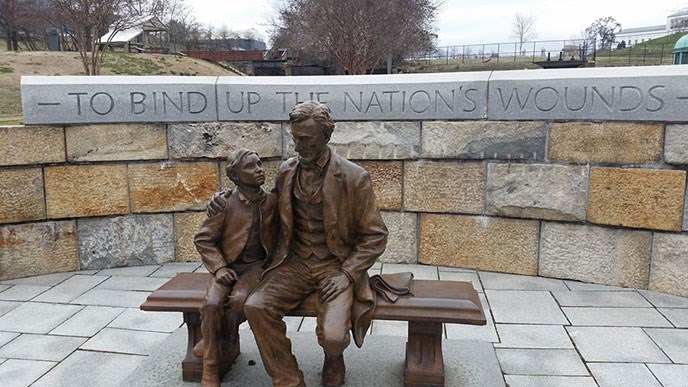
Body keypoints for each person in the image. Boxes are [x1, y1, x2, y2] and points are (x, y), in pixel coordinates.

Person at [243, 101, 388, 387]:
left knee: (334, 338)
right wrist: (230, 200)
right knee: (256, 306)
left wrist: (347, 274)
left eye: (305, 140)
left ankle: (334, 359)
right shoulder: (287, 171)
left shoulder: (353, 177)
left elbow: (376, 235)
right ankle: (288, 379)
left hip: (335, 266)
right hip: (294, 262)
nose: (298, 147)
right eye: (295, 138)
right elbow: (268, 208)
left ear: (326, 136)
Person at [194, 148, 278, 387]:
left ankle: (222, 339)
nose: (259, 170)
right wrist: (219, 268)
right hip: (227, 265)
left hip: (256, 267)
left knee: (240, 299)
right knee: (211, 304)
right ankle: (210, 367)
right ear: (236, 176)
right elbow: (203, 239)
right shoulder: (225, 203)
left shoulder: (272, 201)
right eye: (250, 166)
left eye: (260, 164)